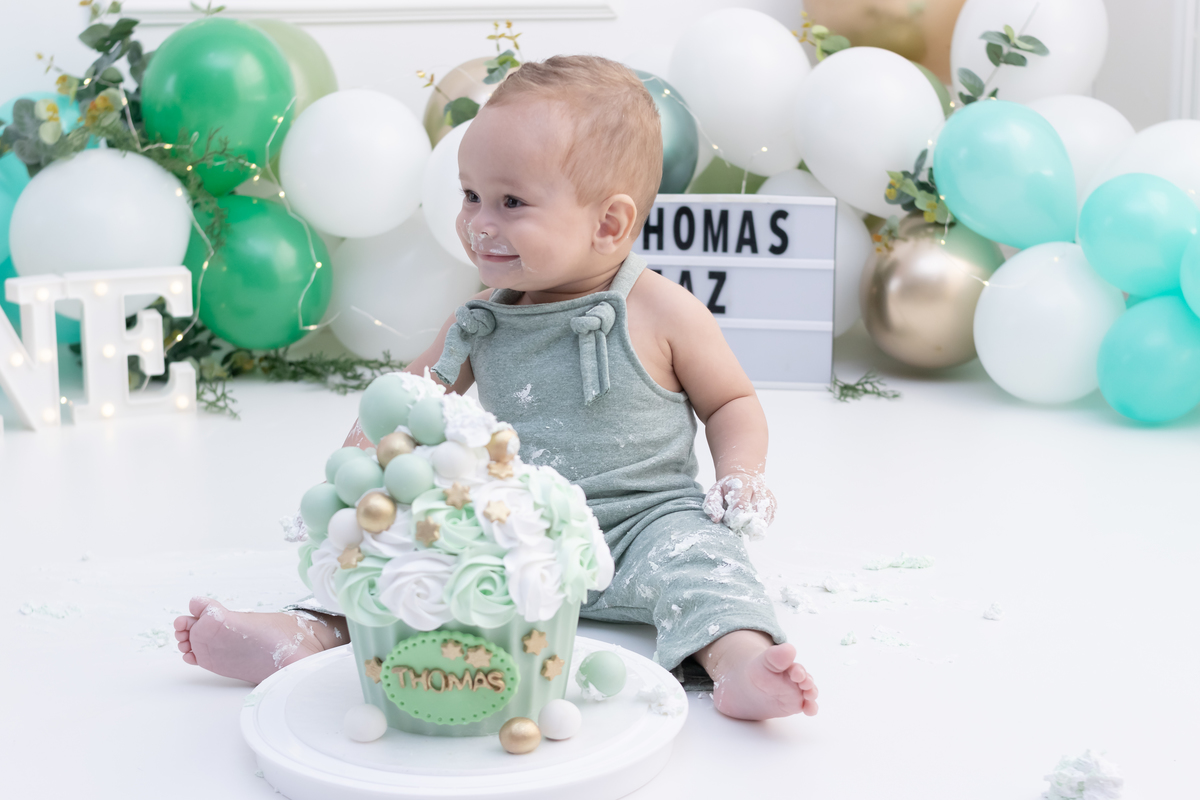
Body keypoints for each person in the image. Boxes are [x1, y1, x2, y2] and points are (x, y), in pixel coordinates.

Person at [175, 55, 817, 721]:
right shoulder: (481, 319)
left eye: (511, 202)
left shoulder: (662, 310)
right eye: (471, 195)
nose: (480, 221)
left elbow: (731, 402)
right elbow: (405, 399)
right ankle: (308, 630)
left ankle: (739, 661)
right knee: (407, 550)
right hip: (515, 528)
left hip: (648, 523)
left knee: (706, 563)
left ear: (610, 224)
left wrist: (741, 473)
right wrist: (356, 488)